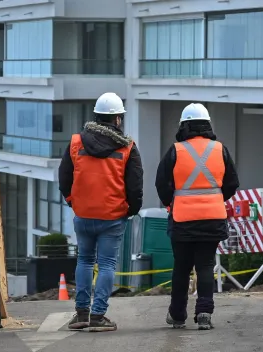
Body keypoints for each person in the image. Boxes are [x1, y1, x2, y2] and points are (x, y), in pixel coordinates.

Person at [59, 92, 143, 331]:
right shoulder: (127, 147)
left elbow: (64, 177)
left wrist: (72, 201)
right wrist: (131, 210)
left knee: (84, 260)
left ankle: (82, 313)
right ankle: (98, 316)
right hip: (113, 216)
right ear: (117, 119)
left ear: (96, 116)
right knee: (106, 264)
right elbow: (135, 184)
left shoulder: (76, 142)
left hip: (83, 214)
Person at [155, 103, 239, 330]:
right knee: (205, 266)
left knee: (181, 268)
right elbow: (232, 183)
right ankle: (204, 313)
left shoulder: (175, 150)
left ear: (184, 126)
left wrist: (170, 202)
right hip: (213, 218)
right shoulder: (220, 149)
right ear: (207, 124)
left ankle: (178, 315)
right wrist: (215, 199)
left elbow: (162, 183)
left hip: (182, 219)